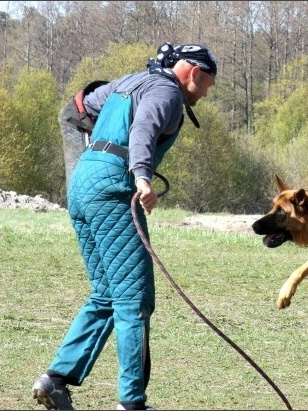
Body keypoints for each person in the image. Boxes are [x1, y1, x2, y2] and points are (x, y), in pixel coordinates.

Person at [32, 42, 217, 411]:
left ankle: (55, 380)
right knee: (134, 300)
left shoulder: (130, 82)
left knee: (107, 292)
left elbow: (80, 105)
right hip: (114, 187)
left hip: (83, 183)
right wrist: (142, 177)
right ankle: (131, 403)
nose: (209, 90)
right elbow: (144, 129)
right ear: (194, 72)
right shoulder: (166, 92)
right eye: (210, 81)